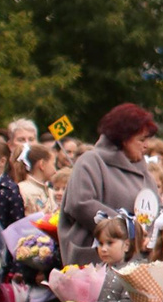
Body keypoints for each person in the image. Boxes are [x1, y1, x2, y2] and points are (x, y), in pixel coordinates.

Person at [59, 103, 157, 263]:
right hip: (94, 262)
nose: (146, 145)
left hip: (134, 262)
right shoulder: (91, 161)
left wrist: (149, 237)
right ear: (124, 139)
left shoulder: (145, 173)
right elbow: (79, 203)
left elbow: (151, 213)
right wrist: (127, 228)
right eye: (141, 139)